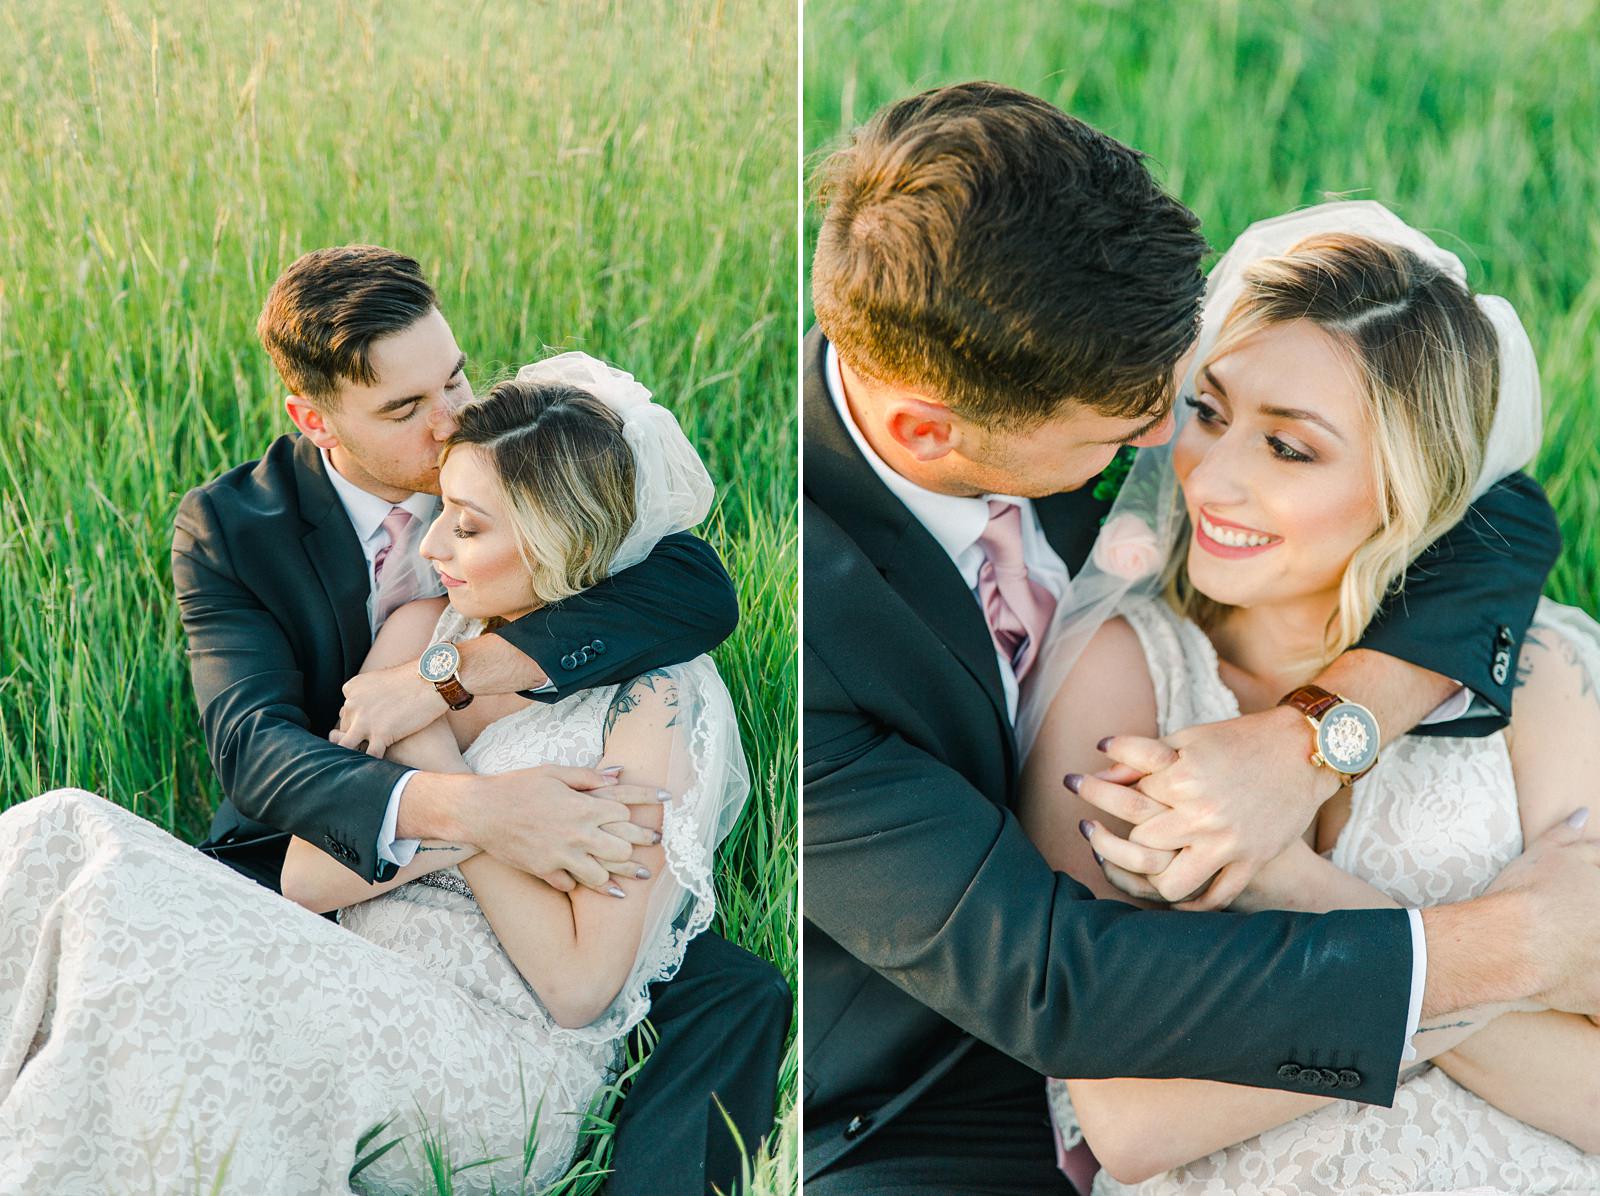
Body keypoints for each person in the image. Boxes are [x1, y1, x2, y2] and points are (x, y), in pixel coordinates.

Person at [801, 81, 1600, 1192]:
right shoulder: (821, 633)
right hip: (924, 1083)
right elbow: (1071, 1005)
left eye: (1269, 436)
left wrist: (1310, 738)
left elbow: (1497, 508)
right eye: (1161, 418)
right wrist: (1528, 946)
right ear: (925, 431)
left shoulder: (1082, 341)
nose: (1175, 450)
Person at [0, 356, 753, 1193]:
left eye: (466, 526)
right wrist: (488, 812)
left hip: (492, 1051)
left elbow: (577, 988)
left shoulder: (652, 704)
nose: (429, 545)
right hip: (326, 955)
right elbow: (303, 880)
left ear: (557, 541)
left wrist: (435, 775)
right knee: (55, 825)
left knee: (142, 946)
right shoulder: (425, 631)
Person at [171, 246, 788, 1192]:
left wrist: (441, 682)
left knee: (731, 993)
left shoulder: (517, 456)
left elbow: (693, 592)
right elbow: (256, 752)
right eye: (405, 409)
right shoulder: (232, 528)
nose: (453, 416)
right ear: (314, 419)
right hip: (349, 835)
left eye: (453, 376)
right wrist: (477, 808)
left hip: (537, 873)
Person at [1022, 207, 1600, 1194]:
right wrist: (1523, 953)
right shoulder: (1122, 677)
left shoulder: (1542, 669)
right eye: (1207, 413)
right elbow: (1132, 1114)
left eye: (1290, 450)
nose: (1214, 478)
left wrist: (1287, 884)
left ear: (1410, 485)